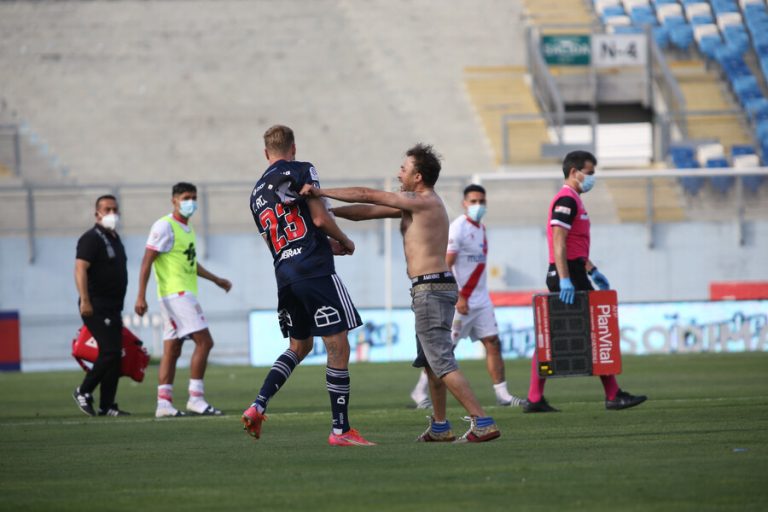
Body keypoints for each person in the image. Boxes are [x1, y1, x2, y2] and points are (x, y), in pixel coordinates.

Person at [304, 143, 501, 443]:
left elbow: (368, 195)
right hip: (431, 289)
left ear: (418, 176)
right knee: (431, 362)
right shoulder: (415, 203)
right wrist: (324, 214)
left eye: (404, 168)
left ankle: (482, 421)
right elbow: (365, 212)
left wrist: (320, 192)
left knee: (441, 361)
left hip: (431, 290)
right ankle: (440, 426)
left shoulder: (422, 201)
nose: (399, 173)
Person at [241, 124, 375, 447]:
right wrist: (343, 239)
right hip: (314, 271)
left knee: (299, 347)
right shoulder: (302, 170)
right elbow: (316, 219)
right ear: (294, 148)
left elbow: (283, 239)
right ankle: (340, 431)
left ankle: (258, 405)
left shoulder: (256, 195)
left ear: (265, 154)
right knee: (337, 345)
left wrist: (326, 244)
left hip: (285, 275)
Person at [524, 150, 647, 413]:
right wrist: (566, 278)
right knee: (592, 330)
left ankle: (535, 398)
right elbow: (558, 240)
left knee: (557, 334)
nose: (592, 178)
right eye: (589, 173)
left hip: (574, 270)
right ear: (574, 172)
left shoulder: (573, 200)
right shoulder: (566, 200)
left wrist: (592, 270)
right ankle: (612, 395)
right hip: (567, 273)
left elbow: (575, 245)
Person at [410, 184, 523, 409]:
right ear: (464, 204)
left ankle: (503, 394)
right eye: (473, 201)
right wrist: (458, 297)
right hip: (461, 301)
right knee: (443, 350)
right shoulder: (458, 229)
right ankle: (419, 392)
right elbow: (447, 263)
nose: (478, 205)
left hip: (481, 300)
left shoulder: (481, 228)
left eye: (481, 201)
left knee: (493, 343)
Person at [135, 182, 232, 418]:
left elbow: (190, 263)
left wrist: (216, 279)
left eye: (194, 197)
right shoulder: (163, 226)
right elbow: (147, 261)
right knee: (205, 342)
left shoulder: (186, 229)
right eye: (187, 197)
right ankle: (196, 399)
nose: (191, 202)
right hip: (176, 294)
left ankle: (164, 404)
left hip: (179, 294)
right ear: (174, 200)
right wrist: (140, 295)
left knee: (173, 348)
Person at [73, 195, 130, 417]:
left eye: (115, 209)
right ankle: (83, 390)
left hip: (113, 306)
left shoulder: (114, 237)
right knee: (109, 351)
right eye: (107, 209)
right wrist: (85, 299)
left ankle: (107, 405)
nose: (111, 213)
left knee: (116, 356)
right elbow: (80, 269)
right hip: (96, 304)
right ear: (97, 213)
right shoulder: (91, 238)